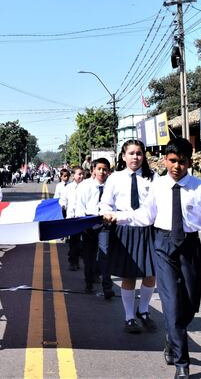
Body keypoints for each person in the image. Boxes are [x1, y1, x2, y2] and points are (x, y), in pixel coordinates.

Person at [103, 137, 201, 379]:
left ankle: (172, 336)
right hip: (163, 245)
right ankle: (182, 363)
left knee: (189, 304)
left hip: (189, 246)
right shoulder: (158, 186)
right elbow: (145, 216)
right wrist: (119, 217)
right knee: (171, 303)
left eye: (182, 162)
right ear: (165, 160)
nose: (176, 166)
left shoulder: (199, 187)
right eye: (172, 161)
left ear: (190, 163)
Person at [99, 139, 157, 334]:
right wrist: (107, 214)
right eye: (131, 153)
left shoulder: (153, 178)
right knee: (129, 275)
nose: (135, 157)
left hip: (148, 229)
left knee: (151, 274)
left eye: (139, 153)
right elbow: (106, 203)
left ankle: (144, 310)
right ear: (123, 156)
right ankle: (129, 317)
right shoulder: (114, 178)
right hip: (124, 229)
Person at [76, 158, 111, 294]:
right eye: (99, 169)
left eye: (105, 169)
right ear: (93, 171)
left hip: (104, 223)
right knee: (89, 255)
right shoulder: (85, 186)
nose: (102, 172)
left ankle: (107, 287)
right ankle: (89, 282)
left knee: (104, 253)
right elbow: (80, 205)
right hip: (89, 222)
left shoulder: (111, 185)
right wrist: (82, 222)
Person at [62, 166, 85, 271]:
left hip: (84, 218)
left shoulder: (87, 186)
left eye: (82, 174)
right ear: (73, 176)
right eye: (79, 174)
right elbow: (63, 200)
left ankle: (83, 260)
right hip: (72, 218)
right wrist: (63, 206)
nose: (81, 176)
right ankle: (73, 261)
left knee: (83, 242)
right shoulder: (69, 187)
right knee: (74, 241)